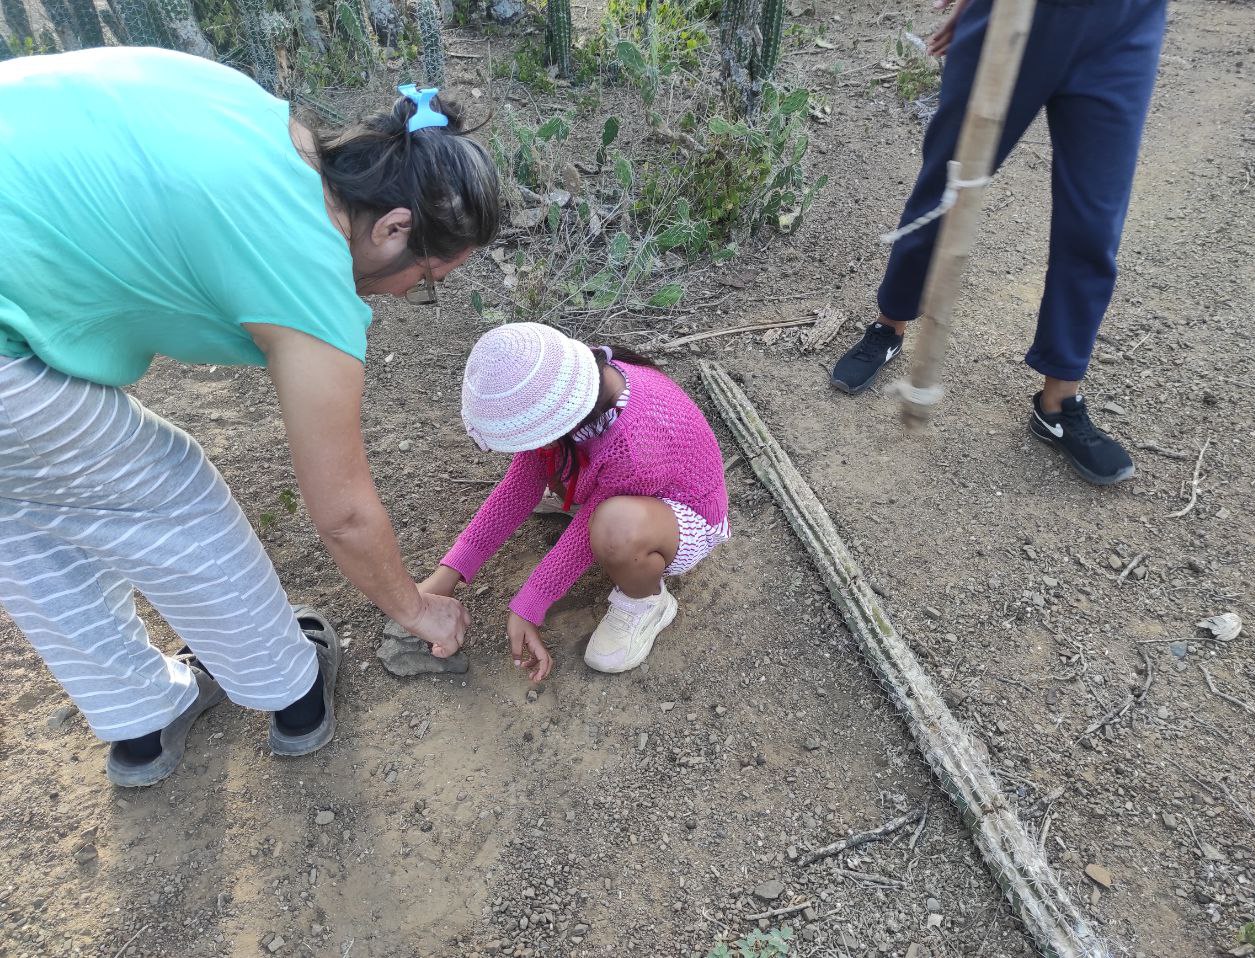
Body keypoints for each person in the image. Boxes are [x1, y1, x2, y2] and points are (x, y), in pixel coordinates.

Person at [0, 47, 499, 786]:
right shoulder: (306, 265)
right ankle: (290, 696)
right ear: (393, 227)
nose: (402, 296)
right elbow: (345, 514)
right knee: (169, 495)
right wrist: (417, 609)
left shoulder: (255, 115)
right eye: (425, 280)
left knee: (23, 517)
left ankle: (140, 721)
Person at [830, 0, 1167, 486]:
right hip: (1016, 17)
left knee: (1093, 226)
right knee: (945, 190)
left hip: (1123, 28)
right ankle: (890, 327)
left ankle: (1058, 403)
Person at [420, 323, 730, 681]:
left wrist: (529, 605)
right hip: (623, 487)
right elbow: (521, 484)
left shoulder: (635, 444)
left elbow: (586, 533)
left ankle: (646, 601)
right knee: (563, 482)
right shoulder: (572, 383)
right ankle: (595, 505)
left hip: (686, 517)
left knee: (614, 528)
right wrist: (450, 572)